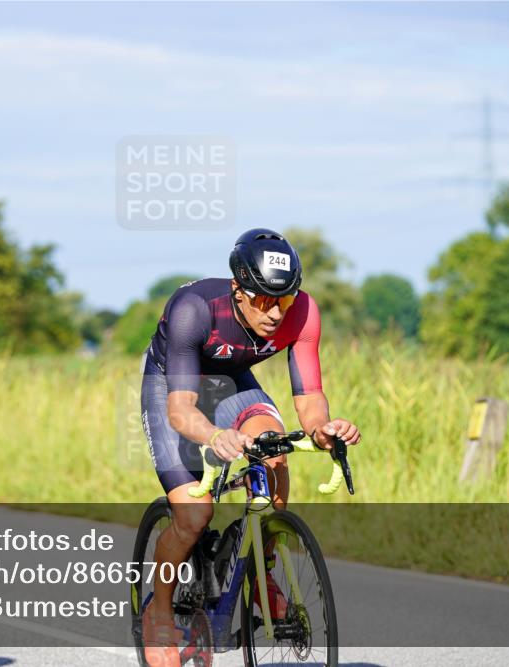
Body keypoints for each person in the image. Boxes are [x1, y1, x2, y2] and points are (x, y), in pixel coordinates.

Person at [139, 228, 362, 666]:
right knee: (193, 514)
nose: (276, 312)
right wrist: (215, 436)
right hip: (175, 385)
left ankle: (262, 566)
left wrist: (321, 429)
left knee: (273, 452)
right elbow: (182, 411)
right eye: (263, 299)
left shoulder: (303, 313)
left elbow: (309, 395)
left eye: (285, 299)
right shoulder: (195, 310)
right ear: (238, 290)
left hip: (236, 381)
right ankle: (159, 611)